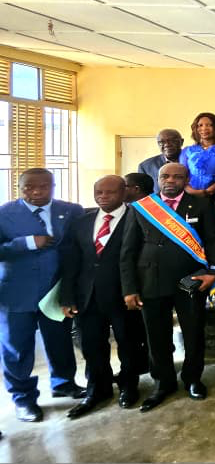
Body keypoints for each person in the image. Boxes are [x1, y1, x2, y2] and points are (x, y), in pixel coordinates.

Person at [121, 162, 215, 413]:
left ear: (186, 179)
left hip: (189, 280)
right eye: (165, 176)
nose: (170, 180)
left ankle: (193, 379)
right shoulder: (143, 207)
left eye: (177, 176)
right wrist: (130, 288)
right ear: (157, 178)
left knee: (193, 332)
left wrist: (213, 273)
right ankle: (163, 383)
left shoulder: (201, 204)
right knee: (157, 336)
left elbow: (213, 240)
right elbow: (128, 251)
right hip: (150, 280)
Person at [0, 168, 85, 422]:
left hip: (56, 292)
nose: (36, 192)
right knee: (16, 349)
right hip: (16, 292)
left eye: (43, 186)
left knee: (59, 340)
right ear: (19, 188)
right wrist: (26, 243)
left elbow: (78, 246)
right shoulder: (4, 214)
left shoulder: (72, 210)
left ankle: (63, 383)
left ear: (53, 185)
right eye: (28, 187)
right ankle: (23, 399)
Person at [60, 175, 147, 418]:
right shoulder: (82, 222)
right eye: (99, 192)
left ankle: (129, 387)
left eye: (110, 192)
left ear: (124, 193)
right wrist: (67, 297)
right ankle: (97, 390)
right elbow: (72, 262)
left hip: (124, 295)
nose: (103, 196)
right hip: (87, 297)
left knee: (128, 345)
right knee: (92, 346)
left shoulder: (138, 217)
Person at [180, 112, 215, 200]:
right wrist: (191, 191)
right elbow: (181, 174)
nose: (204, 128)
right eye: (200, 125)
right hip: (190, 195)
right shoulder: (188, 150)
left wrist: (210, 190)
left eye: (209, 125)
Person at [138, 129, 182, 194]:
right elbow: (143, 194)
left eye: (172, 141)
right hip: (159, 203)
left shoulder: (194, 162)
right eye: (162, 142)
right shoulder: (145, 166)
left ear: (181, 141)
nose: (167, 144)